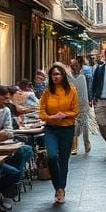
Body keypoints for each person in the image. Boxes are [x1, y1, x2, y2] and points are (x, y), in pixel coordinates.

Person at [39, 64, 79, 203]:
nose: (55, 77)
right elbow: (41, 112)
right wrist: (51, 117)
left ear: (63, 76)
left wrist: (64, 115)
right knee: (51, 156)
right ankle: (58, 187)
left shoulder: (71, 91)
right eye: (53, 74)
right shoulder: (47, 92)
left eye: (58, 74)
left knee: (63, 160)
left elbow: (75, 111)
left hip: (67, 129)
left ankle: (61, 189)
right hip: (51, 128)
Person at [69, 58, 91, 155]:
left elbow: (88, 88)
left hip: (83, 103)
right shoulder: (68, 77)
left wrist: (89, 100)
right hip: (72, 105)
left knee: (85, 124)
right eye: (73, 65)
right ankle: (74, 146)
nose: (75, 67)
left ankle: (87, 143)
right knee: (74, 126)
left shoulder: (83, 75)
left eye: (77, 65)